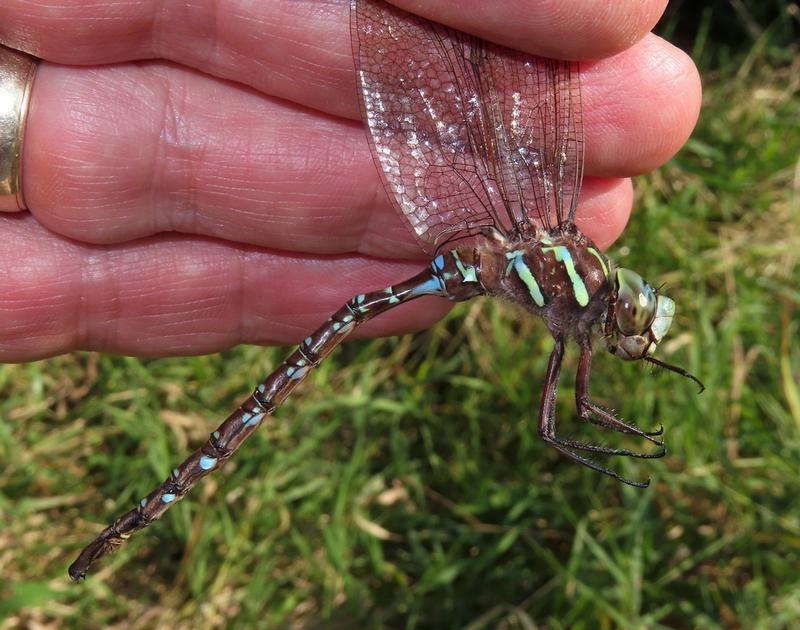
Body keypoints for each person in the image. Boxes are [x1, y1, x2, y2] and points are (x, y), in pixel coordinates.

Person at [0, 0, 701, 363]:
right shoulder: (561, 263)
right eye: (634, 317)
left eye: (635, 317)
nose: (631, 322)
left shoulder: (560, 258)